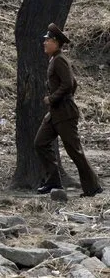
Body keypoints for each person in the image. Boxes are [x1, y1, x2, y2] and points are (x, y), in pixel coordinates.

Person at [35, 23, 102, 197]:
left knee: (74, 150)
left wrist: (53, 98)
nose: (44, 43)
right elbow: (71, 83)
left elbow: (69, 84)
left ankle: (93, 187)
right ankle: (53, 182)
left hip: (65, 113)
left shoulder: (60, 60)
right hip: (55, 113)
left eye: (47, 40)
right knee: (40, 142)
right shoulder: (54, 59)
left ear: (55, 42)